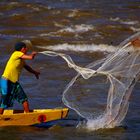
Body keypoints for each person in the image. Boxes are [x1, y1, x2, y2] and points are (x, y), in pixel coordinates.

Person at [0, 41, 40, 114]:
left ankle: (28, 115)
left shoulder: (21, 60)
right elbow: (30, 57)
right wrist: (32, 54)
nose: (26, 49)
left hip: (14, 83)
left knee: (24, 99)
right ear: (22, 49)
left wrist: (35, 73)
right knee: (4, 99)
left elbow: (27, 67)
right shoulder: (16, 53)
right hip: (6, 80)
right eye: (25, 48)